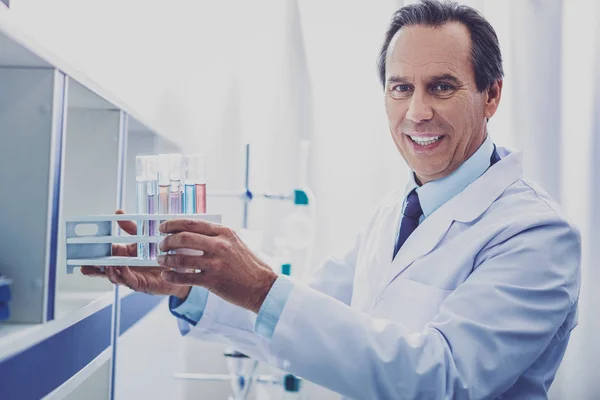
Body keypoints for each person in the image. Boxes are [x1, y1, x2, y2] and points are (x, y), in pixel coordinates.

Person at [83, 1, 581, 398]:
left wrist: (259, 283)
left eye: (442, 87)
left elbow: (442, 380)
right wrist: (189, 289)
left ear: (491, 95)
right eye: (400, 88)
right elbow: (297, 324)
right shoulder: (397, 210)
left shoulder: (537, 235)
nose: (417, 112)